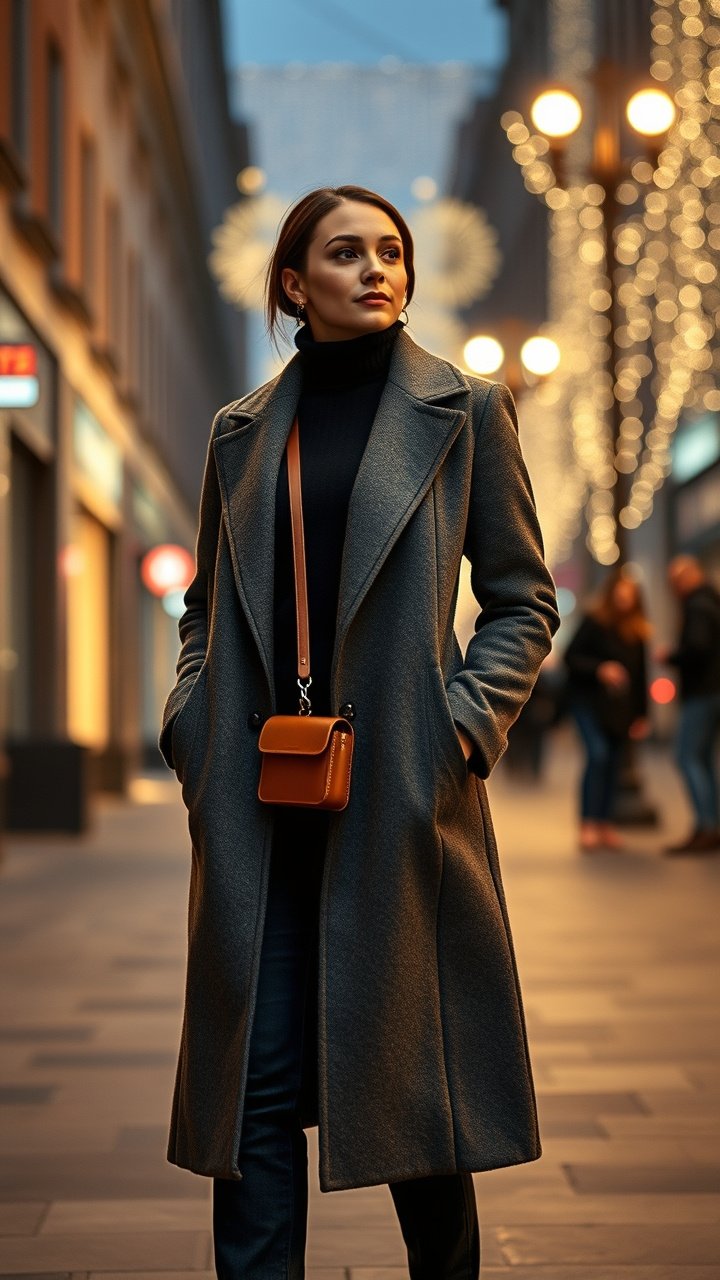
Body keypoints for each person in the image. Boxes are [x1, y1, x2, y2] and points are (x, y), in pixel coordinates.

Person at [158, 184, 559, 1280]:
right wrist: (191, 726)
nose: (378, 268)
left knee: (415, 1092)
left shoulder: (466, 409)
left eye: (392, 250)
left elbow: (525, 597)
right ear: (295, 284)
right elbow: (202, 605)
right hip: (256, 799)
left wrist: (458, 730)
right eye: (346, 252)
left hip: (396, 794)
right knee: (259, 1084)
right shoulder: (239, 432)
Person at [564, 569, 651, 852]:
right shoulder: (594, 621)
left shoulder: (637, 632)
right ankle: (588, 824)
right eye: (621, 595)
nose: (624, 601)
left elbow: (641, 677)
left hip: (619, 709)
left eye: (630, 597)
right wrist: (600, 668)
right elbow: (571, 657)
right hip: (588, 703)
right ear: (611, 594)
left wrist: (642, 716)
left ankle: (605, 824)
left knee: (614, 763)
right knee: (598, 755)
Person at [657, 555, 720, 854]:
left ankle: (707, 825)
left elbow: (697, 647)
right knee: (704, 759)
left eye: (674, 581)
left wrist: (670, 656)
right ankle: (711, 825)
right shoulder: (712, 601)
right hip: (712, 691)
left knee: (687, 756)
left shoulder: (697, 606)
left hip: (702, 692)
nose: (673, 588)